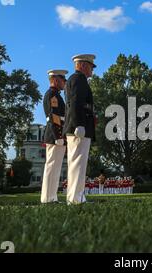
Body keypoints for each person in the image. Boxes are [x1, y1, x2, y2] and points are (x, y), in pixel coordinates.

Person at [64, 54, 96, 204]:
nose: (92, 70)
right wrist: (79, 124)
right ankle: (76, 199)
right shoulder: (78, 79)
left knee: (76, 163)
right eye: (90, 66)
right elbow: (76, 103)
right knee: (78, 163)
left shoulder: (76, 79)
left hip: (79, 125)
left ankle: (75, 197)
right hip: (79, 126)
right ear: (82, 65)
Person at [41, 69, 68, 204]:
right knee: (51, 167)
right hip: (54, 135)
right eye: (63, 80)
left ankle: (52, 197)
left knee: (55, 168)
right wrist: (59, 136)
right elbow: (53, 117)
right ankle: (47, 198)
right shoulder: (52, 94)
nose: (64, 83)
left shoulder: (56, 95)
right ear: (56, 80)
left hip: (57, 135)